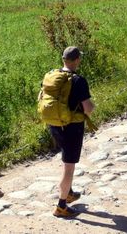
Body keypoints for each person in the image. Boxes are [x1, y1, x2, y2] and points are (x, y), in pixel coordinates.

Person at [37, 46, 95, 219]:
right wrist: (92, 107)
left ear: (63, 59)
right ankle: (61, 205)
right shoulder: (78, 80)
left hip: (54, 124)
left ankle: (68, 193)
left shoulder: (53, 76)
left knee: (65, 157)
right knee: (69, 166)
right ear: (77, 60)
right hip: (72, 127)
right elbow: (88, 109)